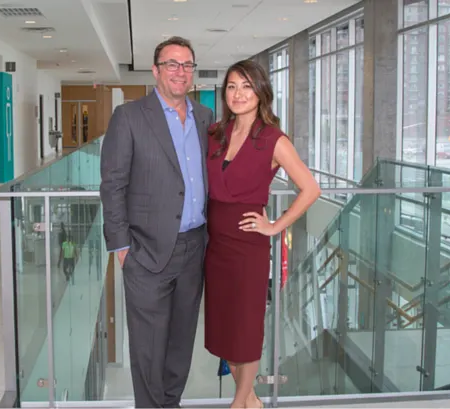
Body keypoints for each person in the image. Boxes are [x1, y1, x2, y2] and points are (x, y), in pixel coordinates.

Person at [99, 36, 214, 408]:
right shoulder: (130, 117)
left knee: (181, 346)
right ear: (156, 70)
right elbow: (113, 183)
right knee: (149, 349)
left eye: (187, 65)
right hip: (146, 252)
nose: (180, 72)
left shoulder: (204, 117)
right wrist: (121, 248)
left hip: (194, 247)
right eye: (172, 64)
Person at [204, 60, 321, 409]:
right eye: (232, 86)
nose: (238, 94)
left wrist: (275, 225)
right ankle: (252, 400)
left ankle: (239, 403)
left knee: (246, 329)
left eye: (246, 86)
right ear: (224, 93)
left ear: (261, 92)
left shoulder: (272, 139)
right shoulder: (215, 133)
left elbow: (310, 188)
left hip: (248, 248)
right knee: (227, 329)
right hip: (216, 246)